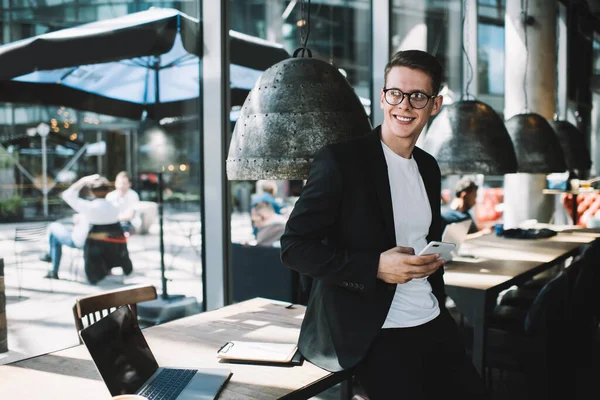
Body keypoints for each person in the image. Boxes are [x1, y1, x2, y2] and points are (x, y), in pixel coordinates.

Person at [280, 50, 487, 399]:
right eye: (396, 93)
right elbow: (294, 248)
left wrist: (431, 261)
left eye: (417, 96)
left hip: (432, 318)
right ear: (383, 96)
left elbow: (423, 237)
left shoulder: (428, 167)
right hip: (375, 332)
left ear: (434, 105)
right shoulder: (342, 161)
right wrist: (375, 266)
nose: (404, 106)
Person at [41, 174, 120, 279]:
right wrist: (82, 217)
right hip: (104, 243)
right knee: (57, 235)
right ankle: (50, 257)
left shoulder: (88, 207)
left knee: (53, 227)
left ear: (91, 192)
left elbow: (67, 195)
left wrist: (83, 180)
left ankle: (53, 267)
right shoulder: (114, 207)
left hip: (82, 242)